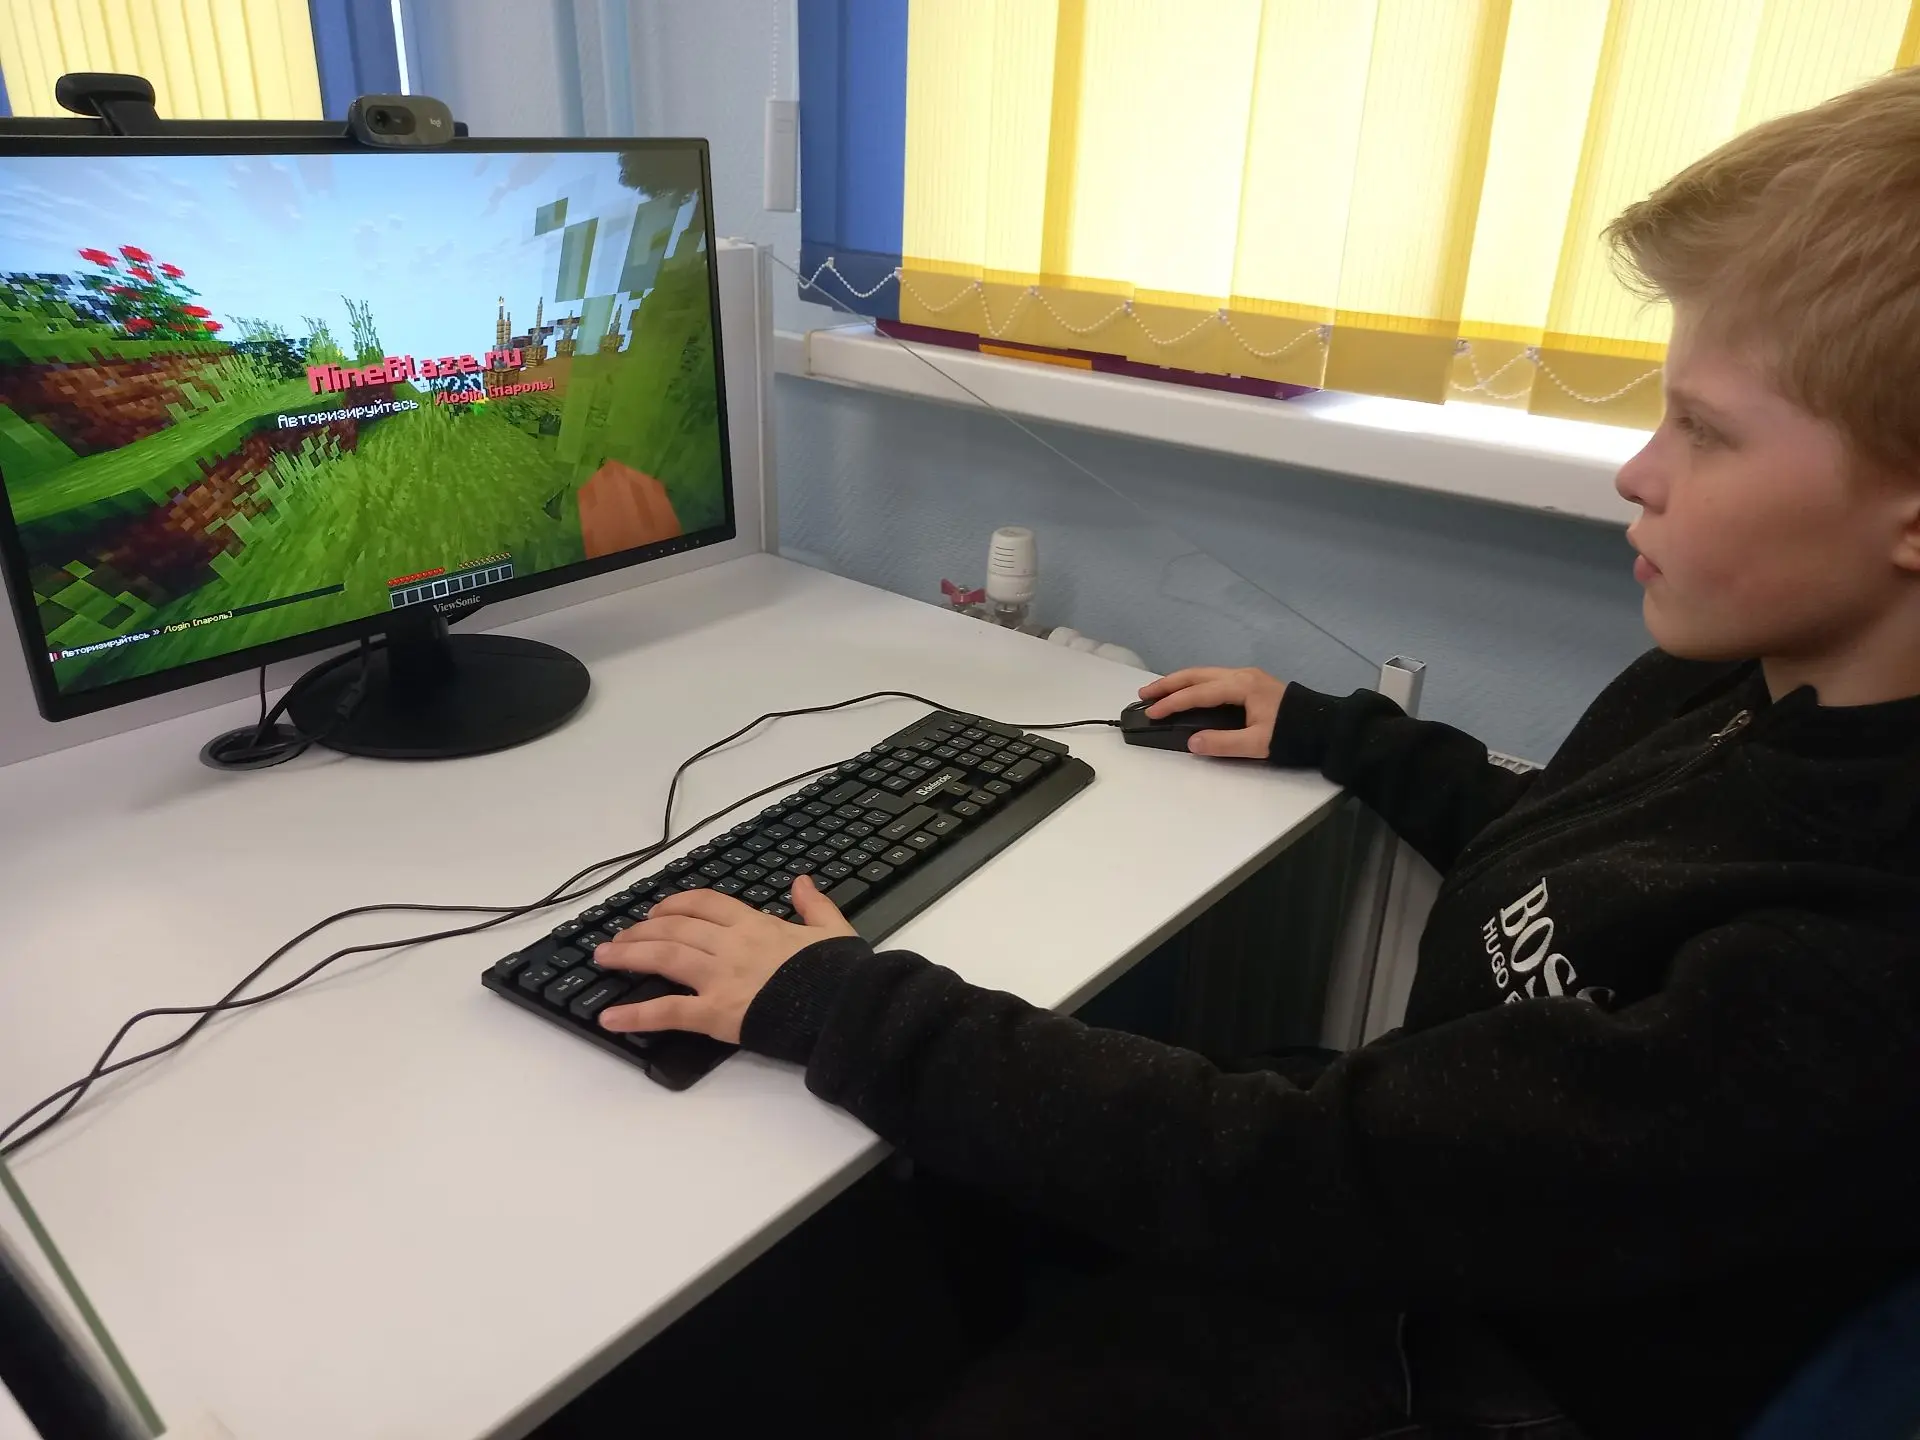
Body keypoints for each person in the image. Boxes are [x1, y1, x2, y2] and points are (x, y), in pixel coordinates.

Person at [590, 68, 1920, 1440]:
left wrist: (842, 1006)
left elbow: (1314, 1176)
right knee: (962, 1179)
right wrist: (1338, 733)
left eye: (1704, 429)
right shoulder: (1754, 681)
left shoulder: (1852, 973)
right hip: (1430, 1215)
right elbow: (1592, 858)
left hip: (1461, 1363)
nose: (1638, 472)